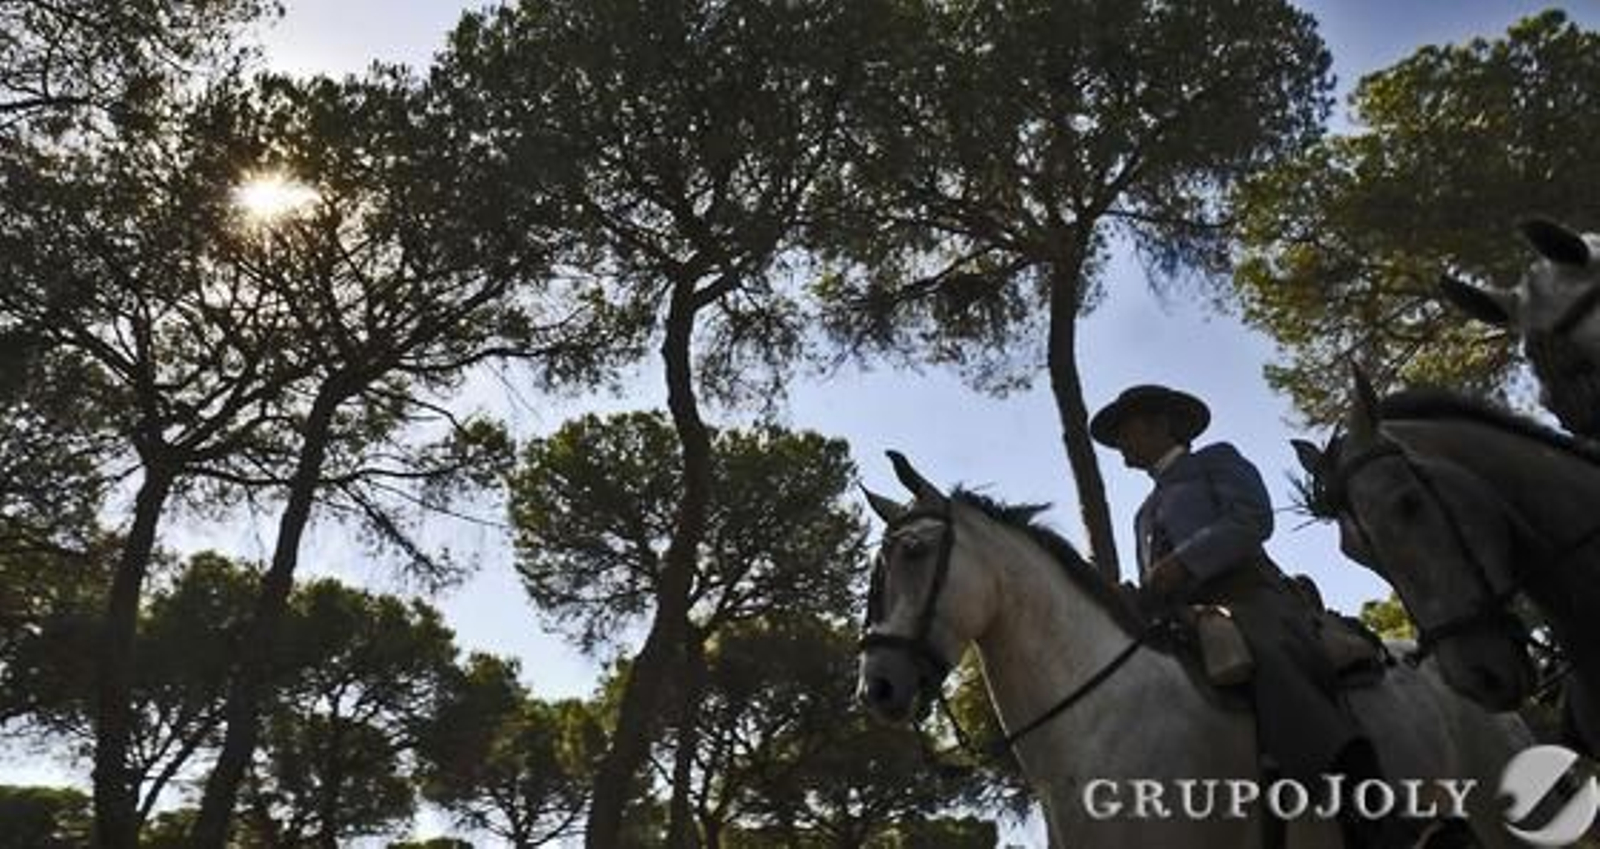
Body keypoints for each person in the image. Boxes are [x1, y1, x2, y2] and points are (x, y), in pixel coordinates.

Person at [1091, 385, 1393, 845]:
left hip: (1248, 594)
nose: (1119, 445)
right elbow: (1154, 584)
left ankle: (1363, 801)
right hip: (1180, 619)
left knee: (1260, 644)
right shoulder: (1143, 513)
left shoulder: (1215, 461)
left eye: (1124, 431)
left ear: (1160, 425)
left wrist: (1184, 562)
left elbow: (1251, 520)